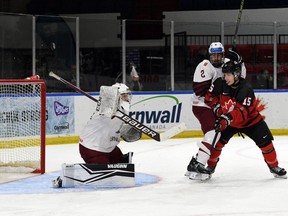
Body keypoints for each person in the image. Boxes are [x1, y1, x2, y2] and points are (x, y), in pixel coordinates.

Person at [203, 60, 287, 179]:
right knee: (217, 144)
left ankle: (274, 167)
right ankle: (210, 167)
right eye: (224, 74)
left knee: (266, 143)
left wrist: (226, 118)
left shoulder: (245, 88)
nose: (225, 77)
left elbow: (241, 112)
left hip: (251, 121)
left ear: (236, 74)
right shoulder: (219, 83)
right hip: (228, 122)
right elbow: (209, 97)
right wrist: (217, 107)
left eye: (228, 75)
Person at [185, 42, 246, 180]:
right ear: (209, 55)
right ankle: (199, 163)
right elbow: (199, 91)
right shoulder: (204, 66)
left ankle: (193, 165)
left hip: (216, 105)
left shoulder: (228, 64)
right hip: (201, 104)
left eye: (219, 55)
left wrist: (239, 62)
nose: (216, 58)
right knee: (213, 132)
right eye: (213, 55)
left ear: (223, 55)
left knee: (214, 136)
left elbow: (240, 79)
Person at [79, 83, 141, 164]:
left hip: (109, 148)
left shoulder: (123, 110)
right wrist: (109, 104)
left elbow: (118, 130)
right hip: (91, 148)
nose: (127, 98)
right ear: (116, 97)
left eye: (127, 95)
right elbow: (106, 109)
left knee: (122, 164)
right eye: (124, 96)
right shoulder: (105, 109)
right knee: (107, 173)